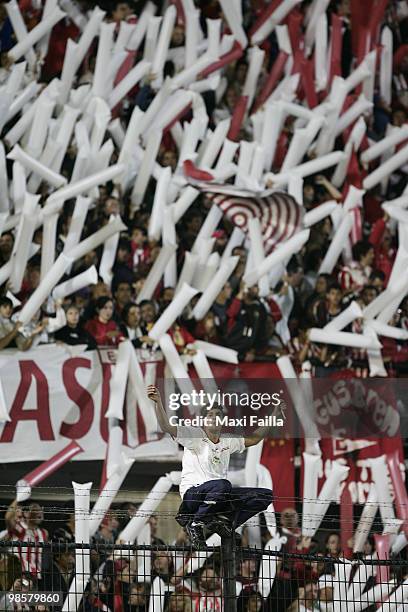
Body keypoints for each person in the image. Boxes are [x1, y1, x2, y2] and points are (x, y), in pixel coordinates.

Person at [146, 385, 274, 547]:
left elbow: (254, 439)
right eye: (210, 414)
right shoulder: (194, 435)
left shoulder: (228, 440)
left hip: (218, 497)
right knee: (222, 485)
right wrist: (158, 402)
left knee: (264, 496)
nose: (214, 417)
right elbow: (166, 427)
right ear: (204, 420)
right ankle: (195, 522)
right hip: (194, 496)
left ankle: (226, 523)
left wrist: (273, 416)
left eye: (218, 415)